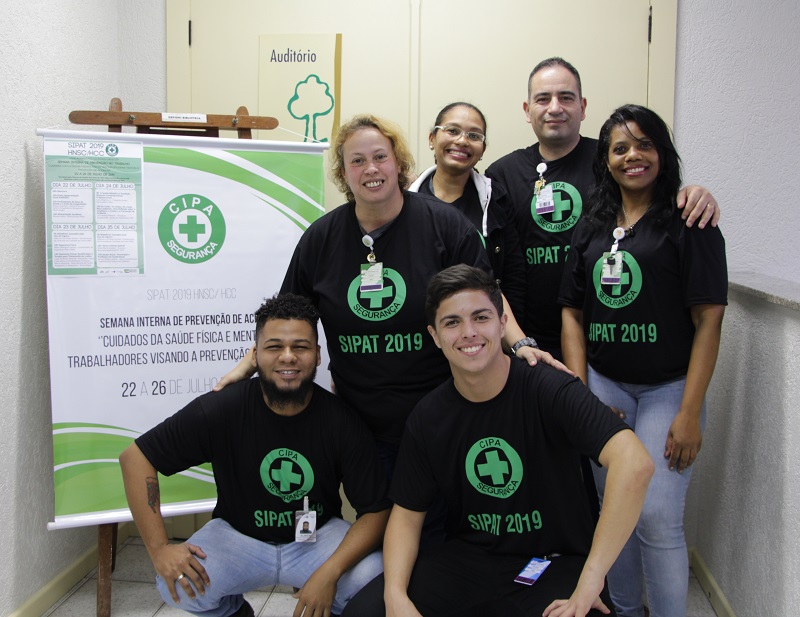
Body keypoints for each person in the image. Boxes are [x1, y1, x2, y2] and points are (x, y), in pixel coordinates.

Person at [216, 115, 561, 476]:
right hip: (360, 422)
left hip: (443, 412)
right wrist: (247, 365)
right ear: (343, 173)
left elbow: (486, 298)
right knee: (380, 508)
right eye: (357, 161)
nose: (371, 169)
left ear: (398, 163)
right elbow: (287, 320)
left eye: (380, 157)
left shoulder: (445, 225)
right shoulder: (320, 239)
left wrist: (520, 344)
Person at [342, 265, 654, 617]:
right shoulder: (428, 416)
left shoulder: (550, 388)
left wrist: (592, 580)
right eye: (452, 322)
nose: (469, 333)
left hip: (551, 562)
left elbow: (635, 464)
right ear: (435, 336)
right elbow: (406, 517)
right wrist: (395, 595)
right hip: (470, 559)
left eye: (481, 317)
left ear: (503, 323)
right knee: (365, 612)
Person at [119, 294, 391, 617]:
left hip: (315, 538)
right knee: (178, 584)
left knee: (374, 578)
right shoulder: (222, 408)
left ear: (318, 355)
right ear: (255, 354)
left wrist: (329, 573)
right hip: (238, 538)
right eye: (274, 346)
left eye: (301, 347)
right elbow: (135, 458)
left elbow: (376, 511)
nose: (288, 357)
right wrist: (160, 549)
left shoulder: (340, 419)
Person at [559, 105, 727, 617]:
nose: (633, 156)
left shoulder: (689, 221)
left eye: (645, 144)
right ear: (606, 160)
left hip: (667, 389)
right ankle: (628, 611)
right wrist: (582, 394)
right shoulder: (591, 225)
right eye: (620, 148)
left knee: (656, 516)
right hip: (604, 384)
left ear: (662, 152)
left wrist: (689, 412)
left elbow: (709, 320)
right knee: (615, 510)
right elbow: (571, 313)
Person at [486, 57, 720, 358]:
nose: (554, 107)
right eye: (543, 99)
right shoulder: (502, 174)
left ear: (582, 107)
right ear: (527, 110)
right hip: (526, 340)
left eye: (566, 97)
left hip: (602, 341)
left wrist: (692, 194)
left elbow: (653, 203)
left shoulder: (612, 161)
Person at [408, 102, 526, 319]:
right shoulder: (405, 201)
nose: (462, 141)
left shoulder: (496, 199)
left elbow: (513, 275)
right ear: (432, 139)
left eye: (474, 135)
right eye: (452, 131)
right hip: (420, 325)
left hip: (483, 325)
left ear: (482, 150)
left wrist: (506, 331)